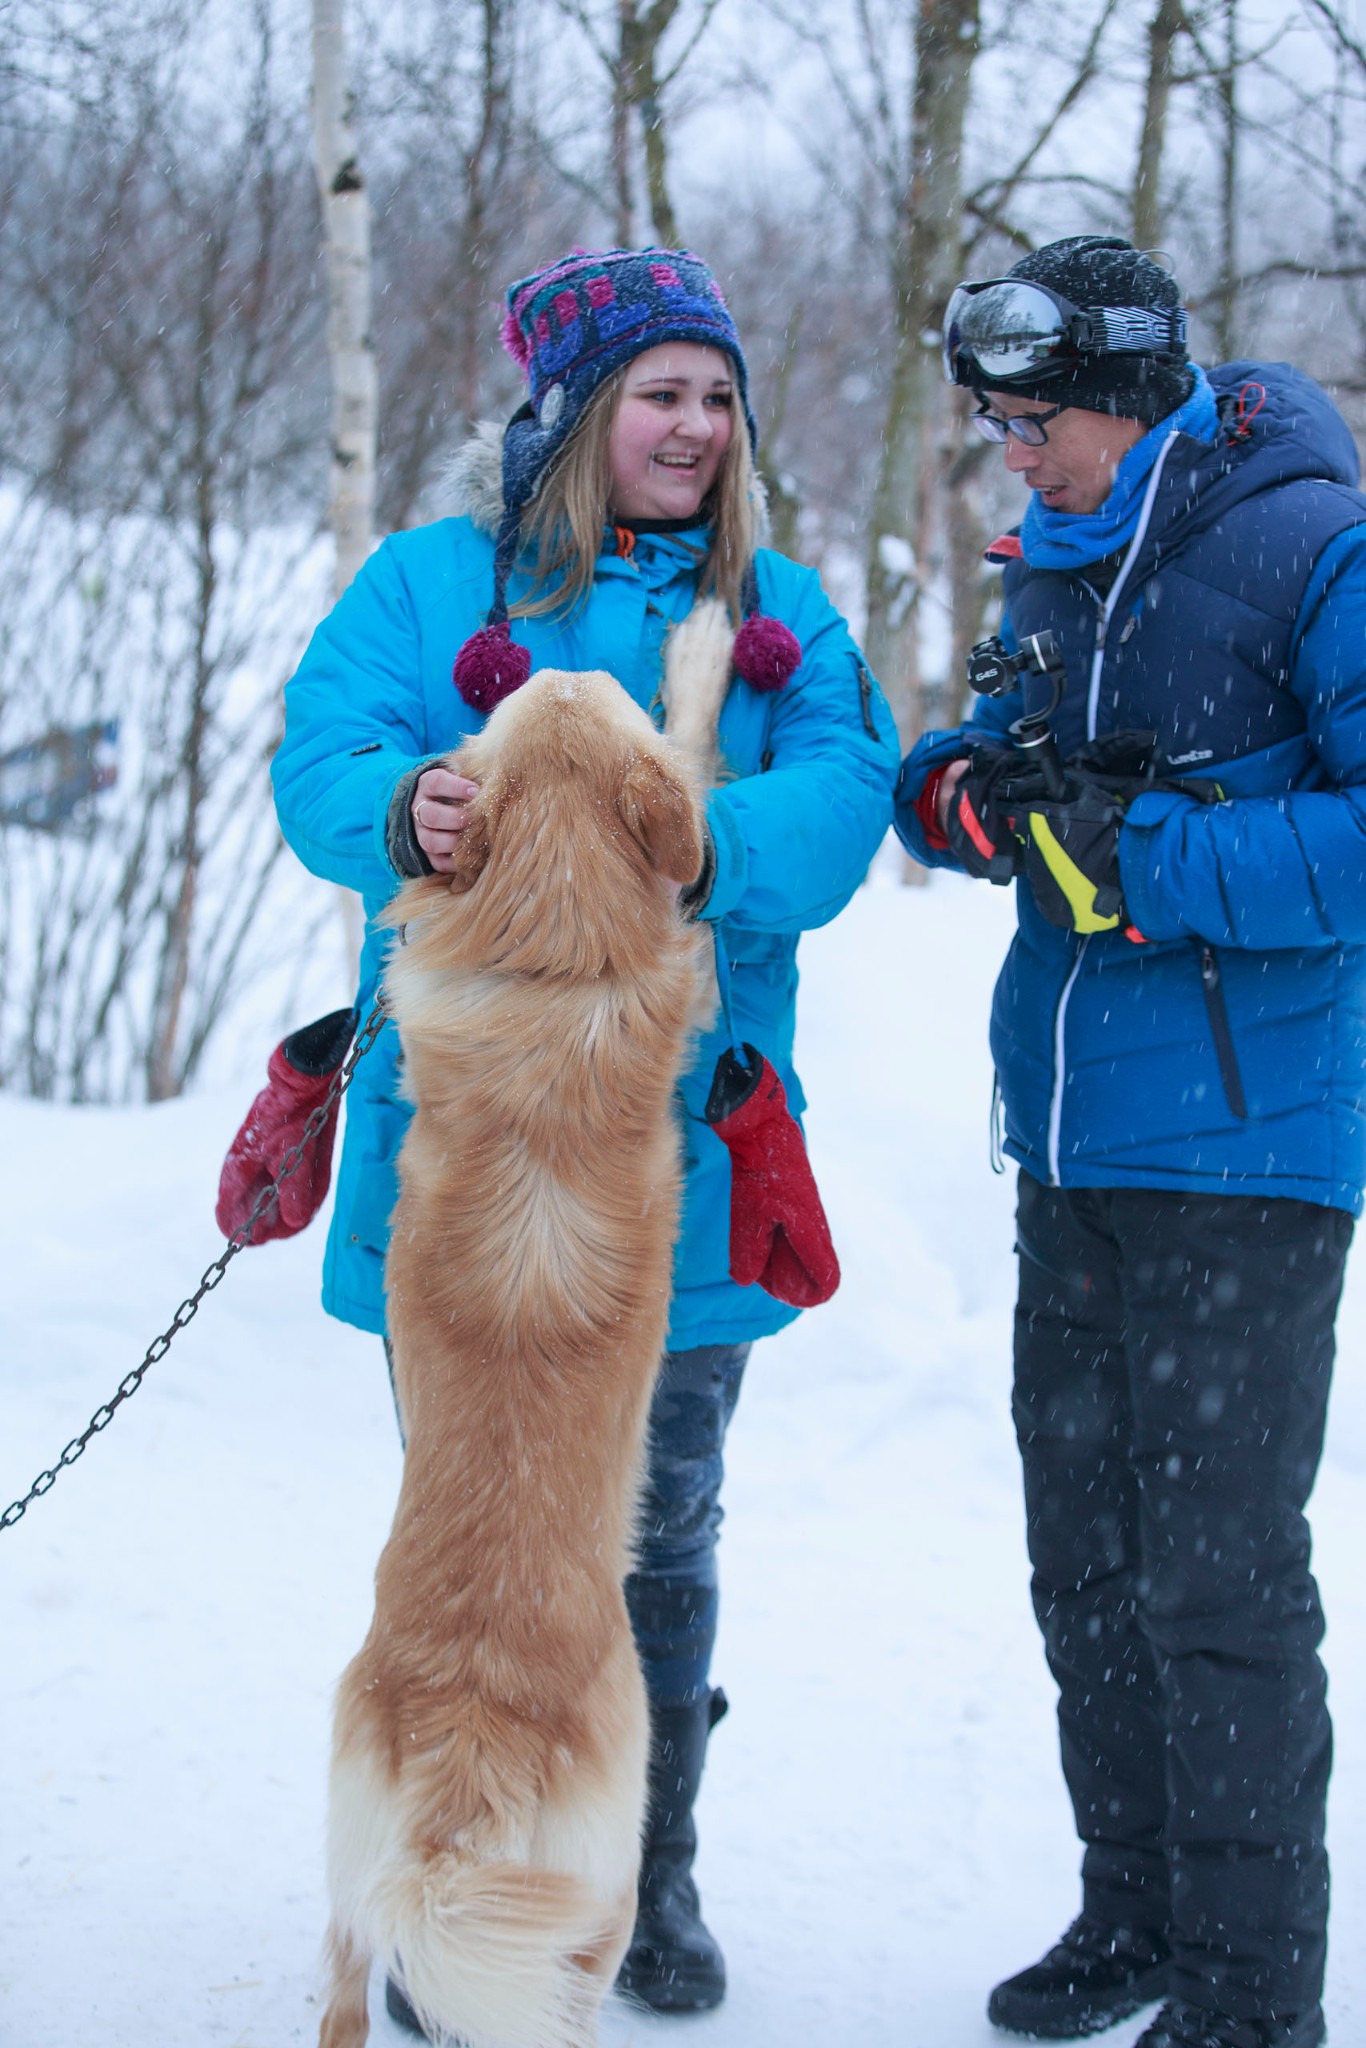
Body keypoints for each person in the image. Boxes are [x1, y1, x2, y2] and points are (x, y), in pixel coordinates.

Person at [271, 245, 897, 2029]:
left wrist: (700, 839)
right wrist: (407, 803)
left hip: (667, 1159)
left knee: (661, 1531)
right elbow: (322, 757)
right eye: (660, 393)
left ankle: (638, 1871)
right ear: (575, 417)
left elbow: (850, 797)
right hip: (460, 1158)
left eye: (716, 397)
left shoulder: (783, 611)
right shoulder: (424, 584)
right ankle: (447, 1861)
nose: (695, 427)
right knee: (469, 1534)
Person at [895, 235, 1366, 2048]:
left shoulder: (1305, 541)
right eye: (996, 423)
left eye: (1033, 419)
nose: (1011, 454)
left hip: (1243, 1158)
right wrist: (964, 796)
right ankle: (1138, 1918)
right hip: (1071, 1148)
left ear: (1126, 393)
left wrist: (1148, 854)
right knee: (1081, 1565)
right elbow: (1002, 788)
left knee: (1218, 1585)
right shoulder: (1068, 562)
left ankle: (1253, 2001)